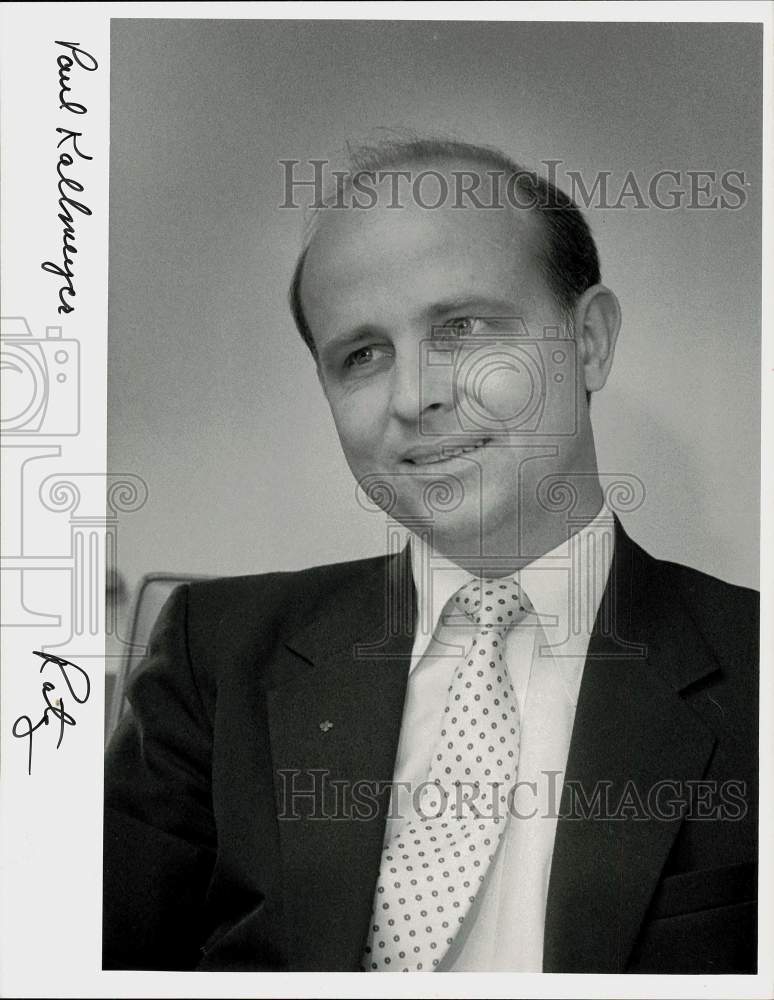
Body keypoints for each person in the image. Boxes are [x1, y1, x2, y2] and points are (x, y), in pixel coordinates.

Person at [103, 137, 758, 974]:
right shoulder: (215, 654)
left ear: (588, 341)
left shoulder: (754, 663)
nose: (415, 397)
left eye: (462, 327)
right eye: (362, 356)